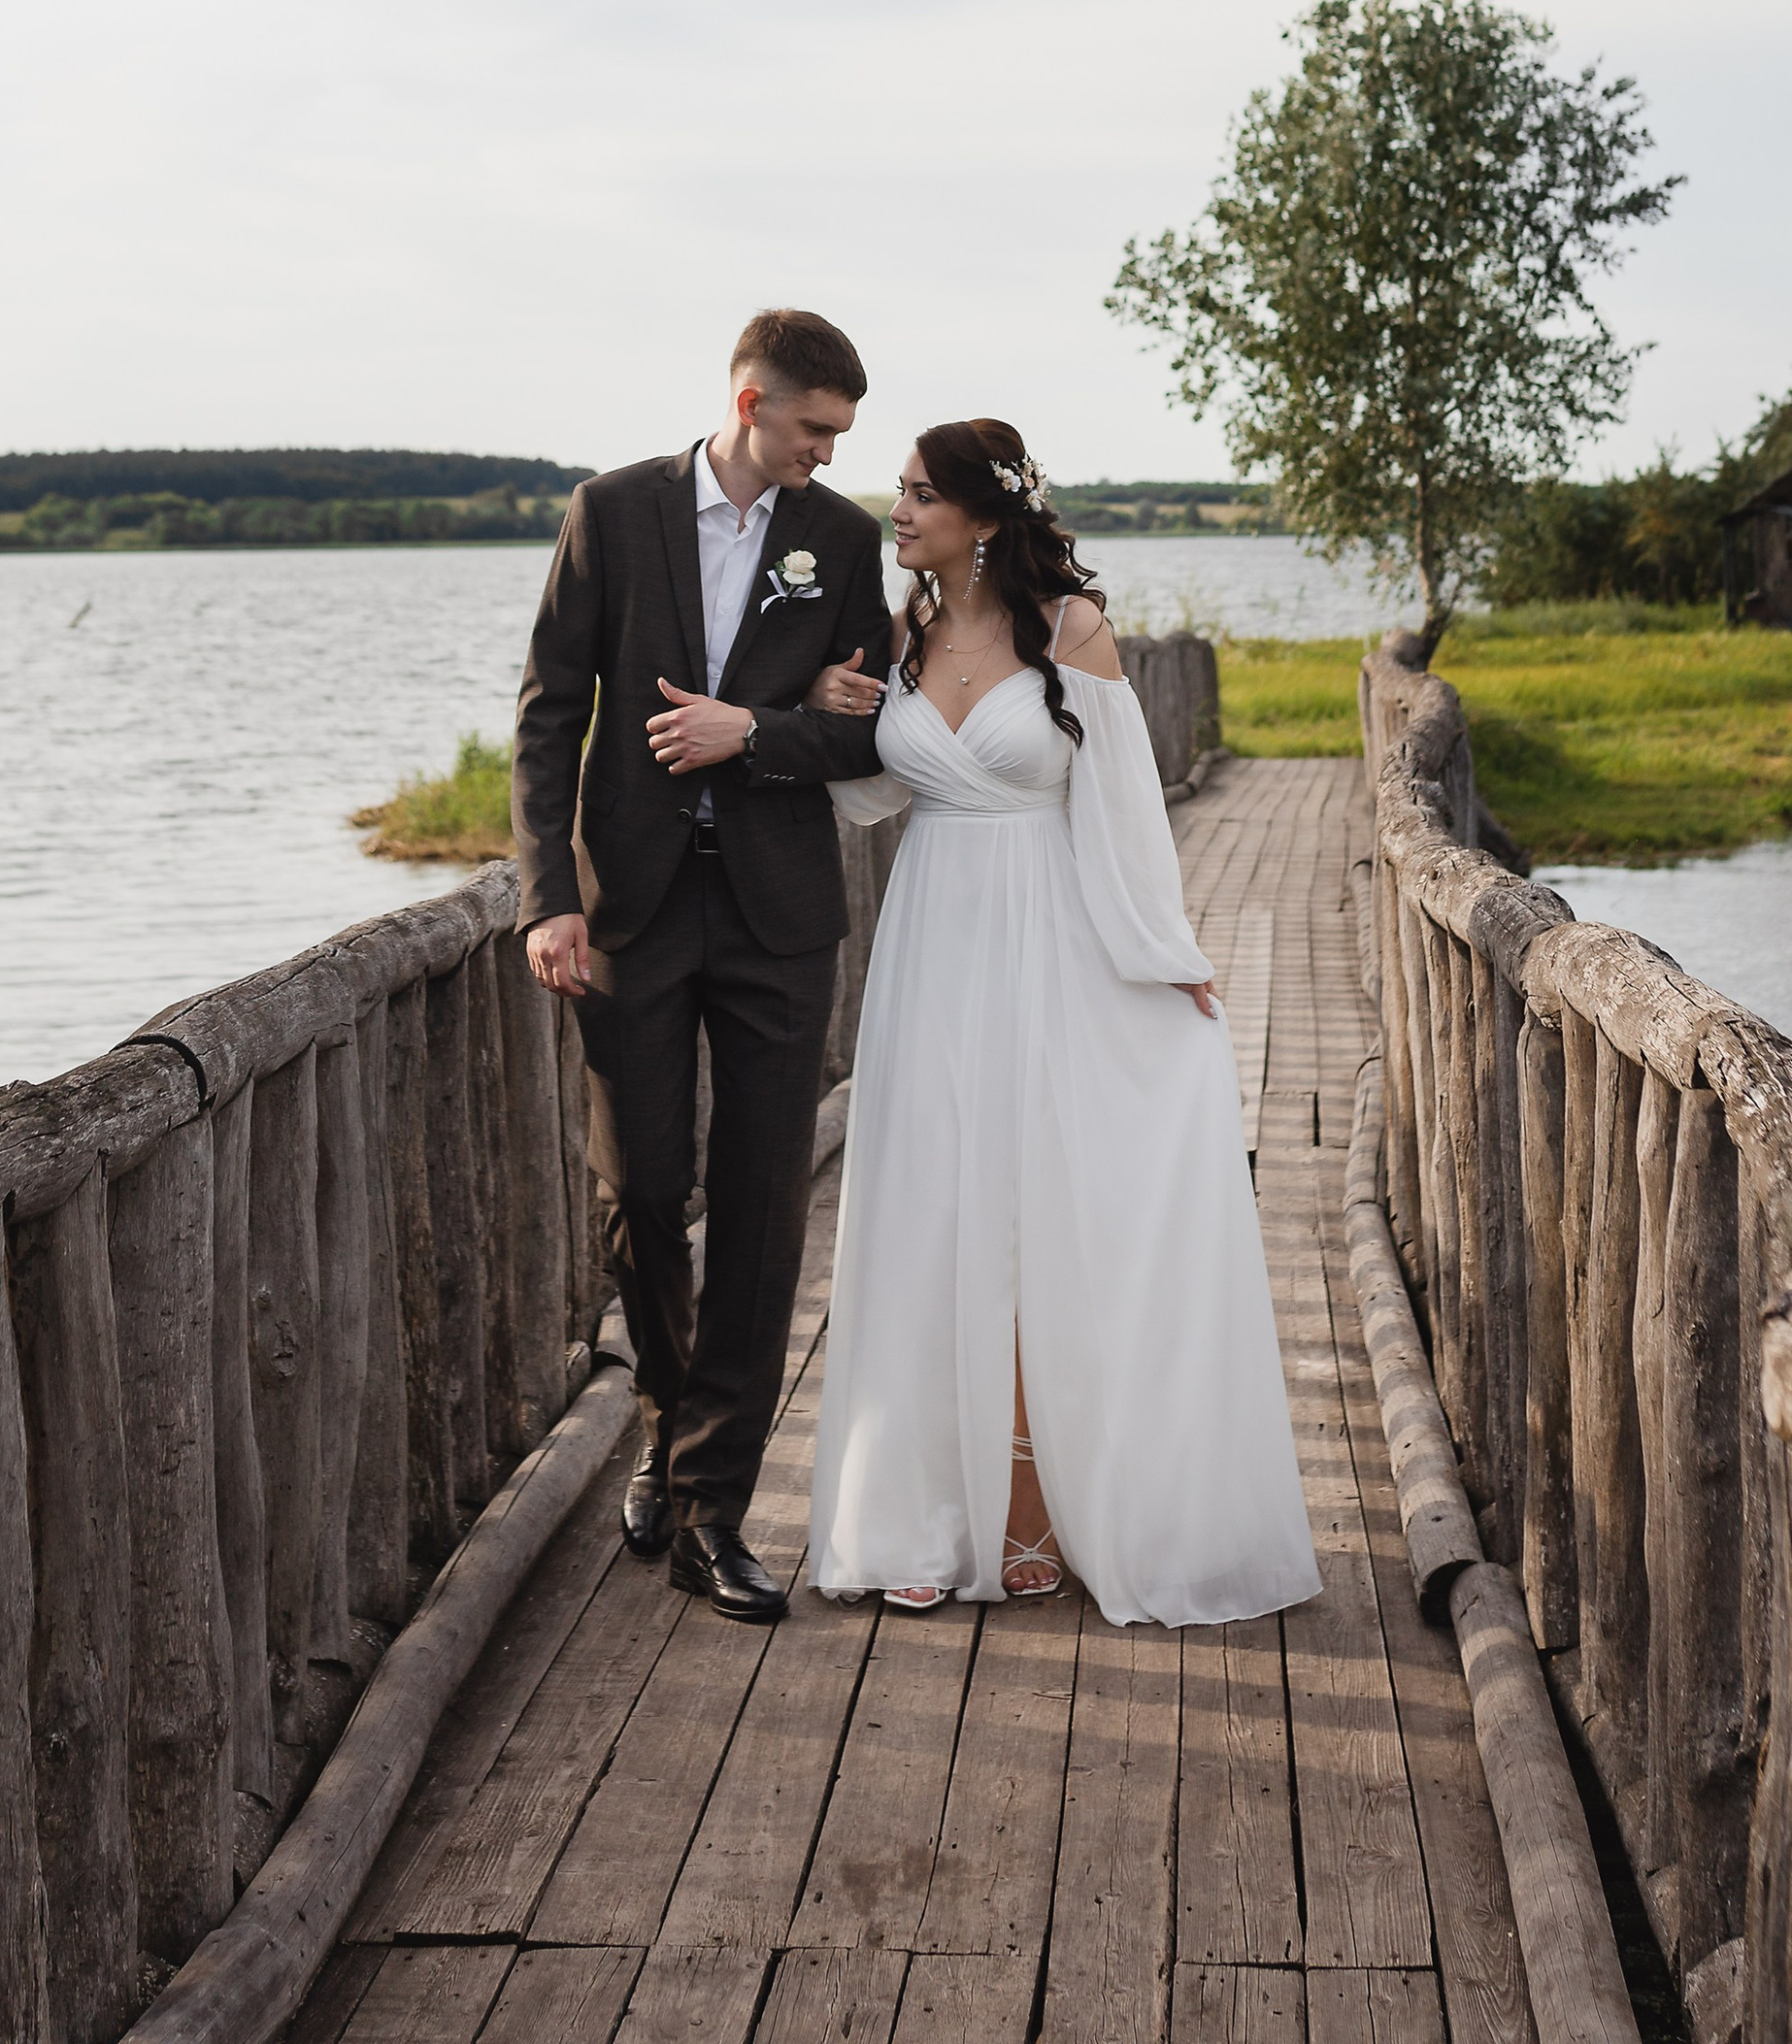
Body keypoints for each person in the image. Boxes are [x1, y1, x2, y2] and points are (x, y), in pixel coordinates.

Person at [803, 418, 1320, 1625]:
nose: (900, 509)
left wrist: (1163, 956)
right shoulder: (902, 631)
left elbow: (1128, 808)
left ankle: (1032, 1508)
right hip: (932, 941)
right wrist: (841, 710)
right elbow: (879, 799)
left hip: (1055, 940)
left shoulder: (1068, 629)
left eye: (922, 495)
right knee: (930, 1216)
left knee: (1041, 1221)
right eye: (902, 491)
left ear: (985, 517)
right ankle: (924, 1511)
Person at [513, 307, 892, 1624]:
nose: (827, 457)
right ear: (749, 402)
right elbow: (551, 717)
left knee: (765, 1210)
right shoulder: (609, 514)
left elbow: (868, 738)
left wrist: (762, 733)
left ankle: (710, 1511)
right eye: (812, 430)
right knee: (644, 1188)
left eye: (839, 436)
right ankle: (673, 1422)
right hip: (634, 914)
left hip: (783, 918)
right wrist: (547, 903)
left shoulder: (839, 545)